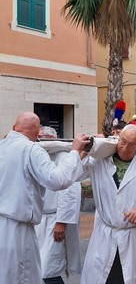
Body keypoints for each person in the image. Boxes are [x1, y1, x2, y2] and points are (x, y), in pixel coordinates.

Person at [0, 112, 89, 284]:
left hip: (5, 222)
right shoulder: (31, 149)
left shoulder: (2, 146)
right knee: (20, 276)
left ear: (13, 128)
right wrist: (75, 151)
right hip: (17, 229)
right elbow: (59, 180)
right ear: (35, 133)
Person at [79, 124, 136, 284]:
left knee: (129, 278)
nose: (125, 147)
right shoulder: (98, 161)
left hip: (135, 236)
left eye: (131, 144)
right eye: (123, 141)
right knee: (104, 277)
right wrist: (86, 149)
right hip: (106, 234)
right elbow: (71, 175)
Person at [35, 126, 82, 284]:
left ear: (51, 139)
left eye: (42, 137)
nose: (38, 140)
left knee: (49, 269)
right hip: (37, 220)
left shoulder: (64, 157)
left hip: (54, 220)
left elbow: (70, 191)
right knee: (36, 267)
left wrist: (61, 222)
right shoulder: (37, 156)